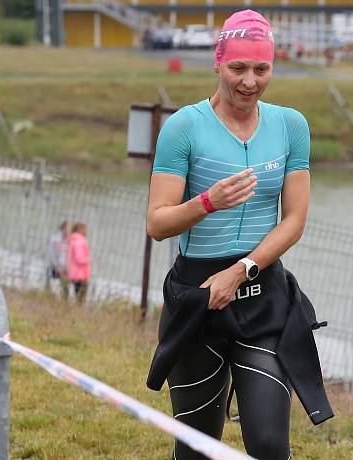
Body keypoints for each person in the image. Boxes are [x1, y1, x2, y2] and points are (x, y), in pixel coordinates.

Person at [144, 10, 332, 460]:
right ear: (218, 63)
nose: (250, 81)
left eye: (261, 69)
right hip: (198, 296)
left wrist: (243, 269)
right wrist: (206, 202)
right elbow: (157, 223)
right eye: (238, 68)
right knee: (197, 447)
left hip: (262, 292)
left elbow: (294, 220)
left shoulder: (290, 126)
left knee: (268, 443)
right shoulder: (184, 128)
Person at [68, 221, 90, 304]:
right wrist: (90, 259)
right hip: (80, 275)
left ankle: (76, 312)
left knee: (78, 296)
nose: (86, 232)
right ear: (80, 229)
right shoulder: (80, 242)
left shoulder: (73, 240)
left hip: (75, 273)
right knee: (80, 299)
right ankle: (77, 312)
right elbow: (80, 259)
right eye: (85, 229)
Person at [47, 221, 70, 300]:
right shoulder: (55, 239)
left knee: (65, 288)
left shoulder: (69, 240)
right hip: (55, 267)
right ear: (63, 228)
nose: (68, 231)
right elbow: (51, 254)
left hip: (64, 268)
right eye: (67, 228)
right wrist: (56, 266)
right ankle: (52, 298)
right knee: (53, 286)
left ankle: (63, 301)